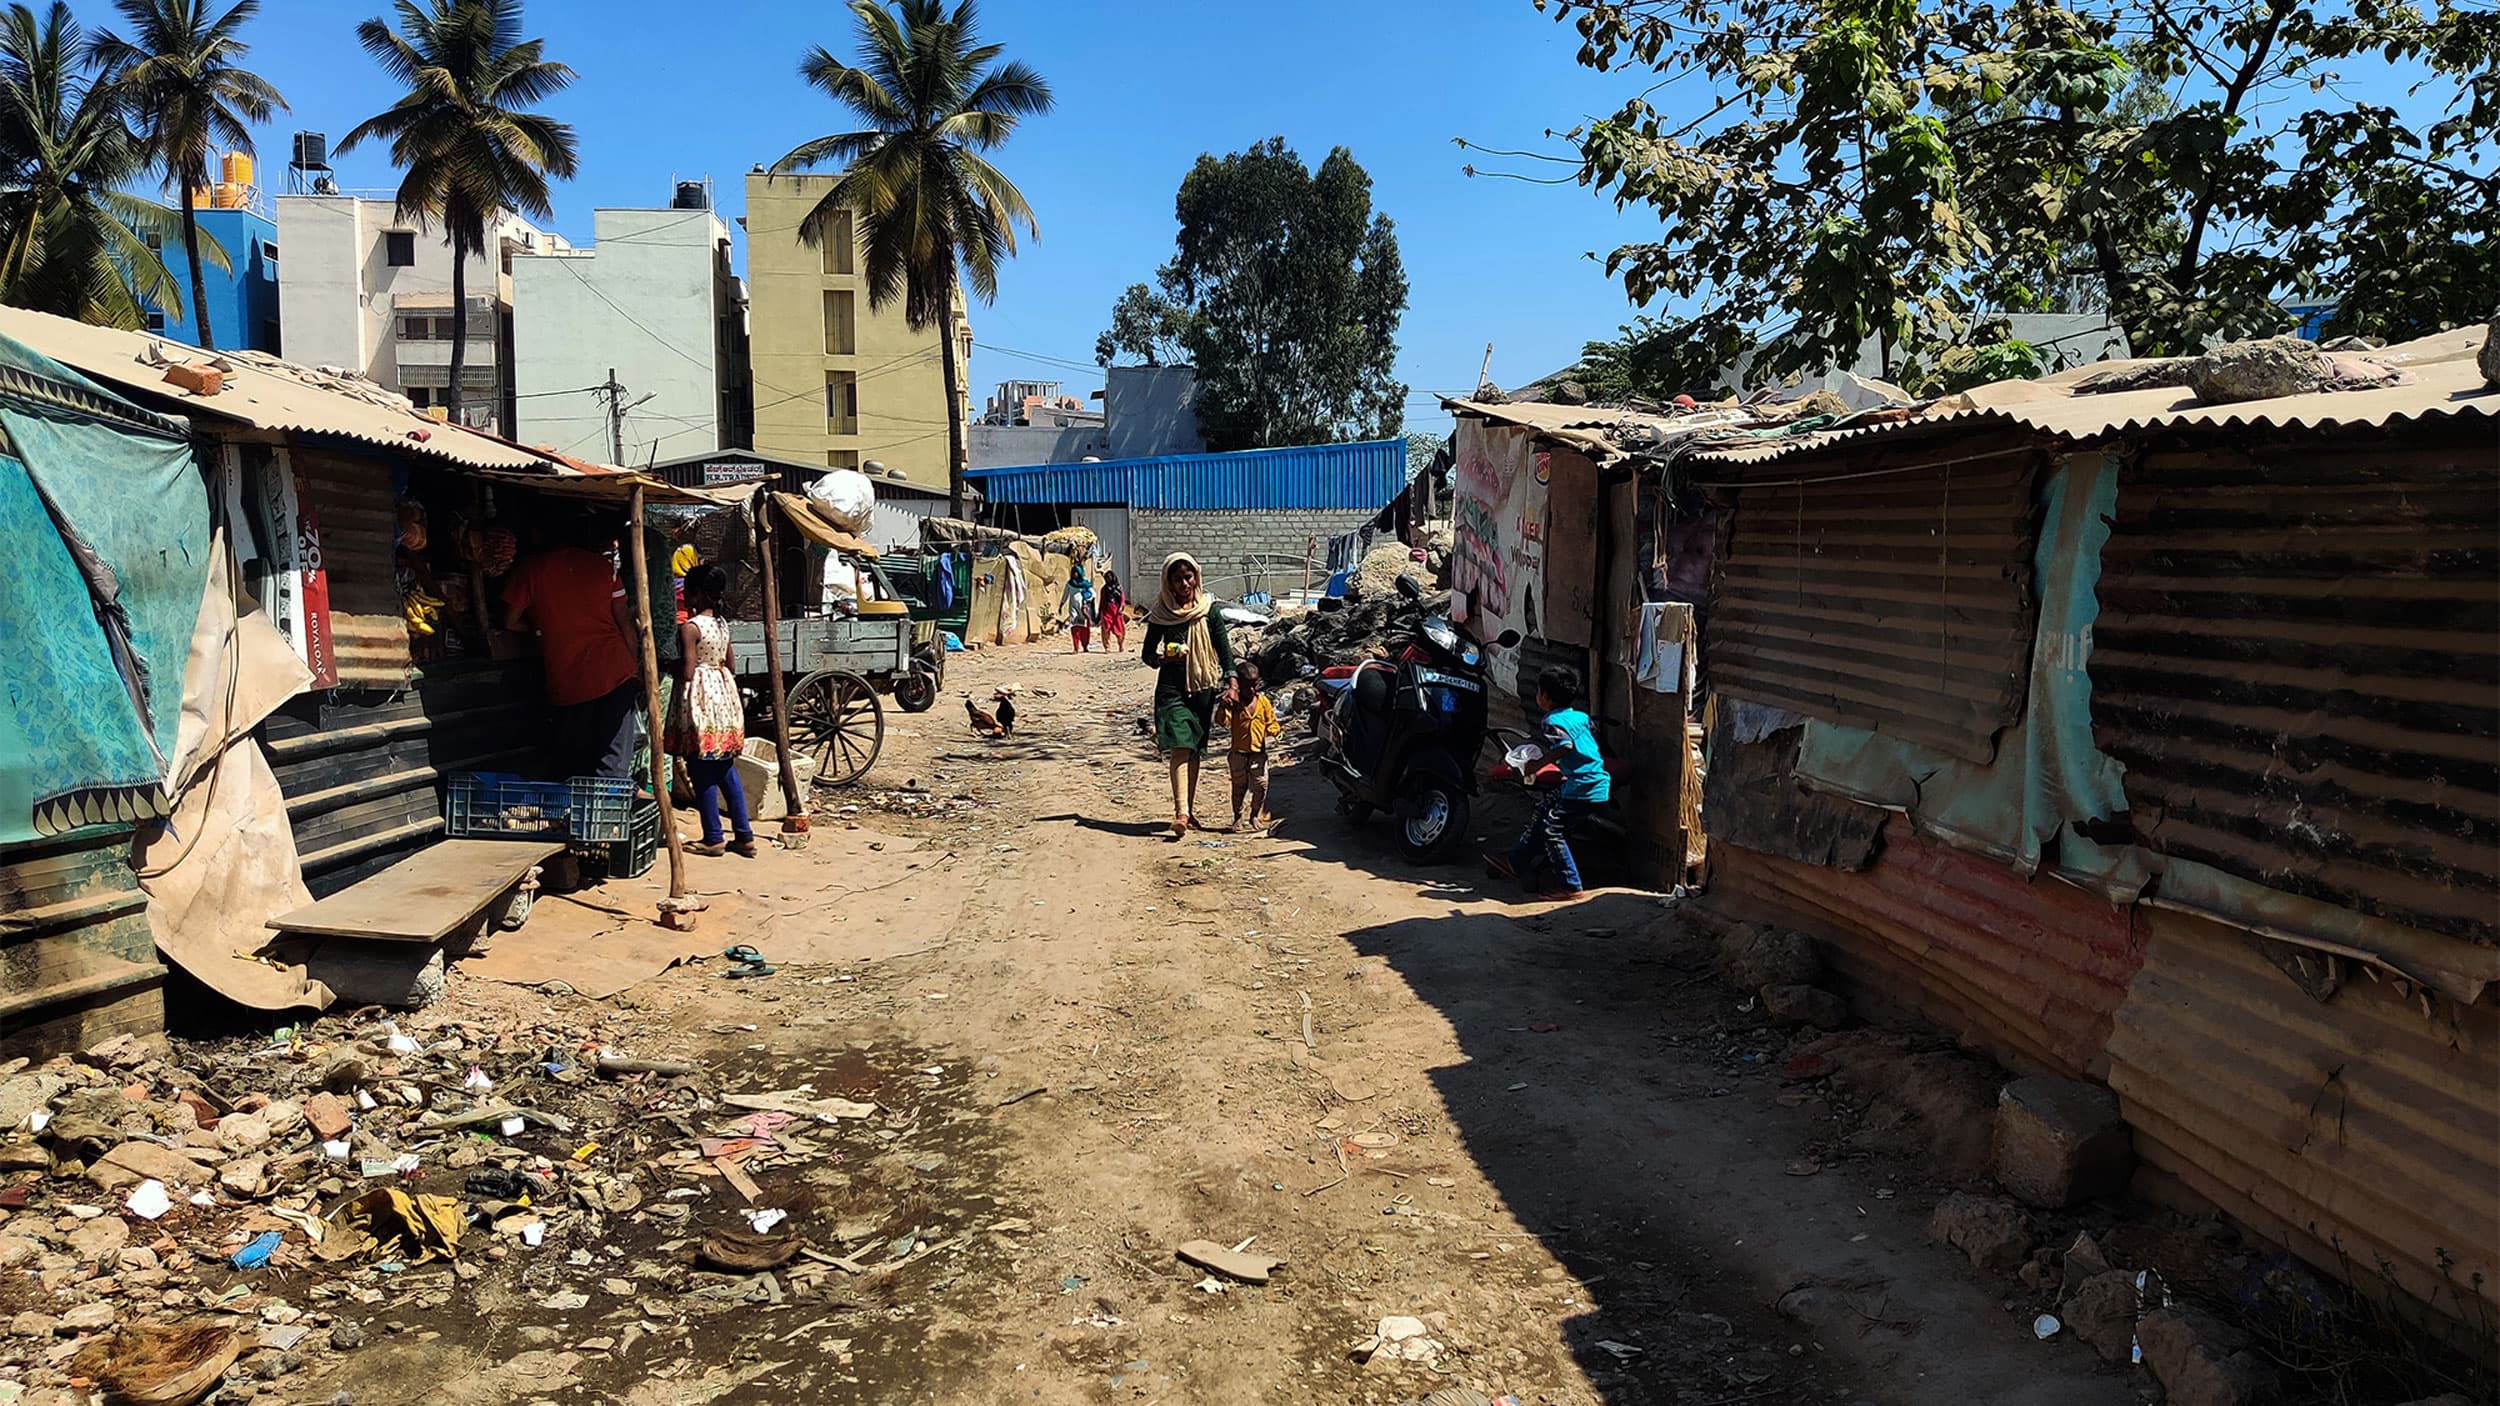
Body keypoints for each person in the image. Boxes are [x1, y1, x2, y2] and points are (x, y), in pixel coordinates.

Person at [503, 514, 641, 780]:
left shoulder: (532, 570)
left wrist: (541, 627)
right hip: (616, 672)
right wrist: (634, 668)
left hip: (570, 679)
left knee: (575, 762)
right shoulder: (603, 568)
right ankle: (606, 819)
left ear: (539, 536)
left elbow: (509, 621)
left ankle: (582, 818)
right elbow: (625, 625)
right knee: (612, 762)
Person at [1486, 665, 1610, 900]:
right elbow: (1587, 740)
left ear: (1544, 697)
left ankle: (1570, 885)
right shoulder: (1581, 717)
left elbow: (1565, 746)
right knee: (1544, 809)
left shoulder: (1551, 721)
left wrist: (1537, 764)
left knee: (1552, 829)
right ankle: (1516, 860)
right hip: (1595, 781)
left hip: (1581, 787)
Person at [1140, 552, 1231, 838]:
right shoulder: (1161, 613)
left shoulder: (1208, 610)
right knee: (1180, 743)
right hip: (1171, 687)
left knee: (1193, 748)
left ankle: (1188, 811)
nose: (1184, 583)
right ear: (1168, 582)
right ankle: (1181, 812)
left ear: (1196, 577)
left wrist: (1232, 680)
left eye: (1188, 577)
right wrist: (1162, 660)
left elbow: (1223, 647)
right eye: (1177, 578)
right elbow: (1147, 654)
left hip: (1203, 685)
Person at [667, 564, 755, 857]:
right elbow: (730, 664)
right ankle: (743, 835)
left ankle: (713, 837)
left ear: (695, 593)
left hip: (701, 702)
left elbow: (689, 670)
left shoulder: (690, 628)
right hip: (724, 699)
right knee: (725, 769)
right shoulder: (722, 625)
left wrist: (668, 665)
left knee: (700, 769)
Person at [1212, 661, 1280, 832]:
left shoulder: (1263, 702)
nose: (1251, 690)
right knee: (1239, 786)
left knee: (1261, 784)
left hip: (1258, 753)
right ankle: (1237, 816)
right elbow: (1222, 722)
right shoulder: (1234, 704)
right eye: (1247, 686)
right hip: (1238, 754)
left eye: (1254, 685)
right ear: (1238, 686)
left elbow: (1272, 722)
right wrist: (1222, 707)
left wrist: (1274, 731)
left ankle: (1255, 814)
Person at [1098, 570, 1127, 651]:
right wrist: (1100, 612)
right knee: (1105, 629)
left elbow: (1122, 598)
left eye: (1109, 577)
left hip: (1116, 611)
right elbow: (1102, 601)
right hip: (1107, 611)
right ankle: (1107, 647)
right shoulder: (1104, 589)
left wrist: (1121, 607)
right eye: (1106, 578)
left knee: (1119, 628)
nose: (1108, 579)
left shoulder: (1118, 587)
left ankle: (1121, 645)